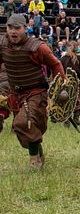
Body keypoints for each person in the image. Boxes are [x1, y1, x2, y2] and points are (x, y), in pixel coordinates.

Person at [0, 14, 65, 170]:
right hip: (15, 94)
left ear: (25, 28)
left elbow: (56, 65)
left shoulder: (37, 47)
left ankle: (34, 162)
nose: (13, 31)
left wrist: (59, 87)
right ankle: (39, 155)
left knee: (23, 122)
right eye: (10, 27)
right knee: (24, 130)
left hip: (36, 92)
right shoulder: (2, 44)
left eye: (17, 28)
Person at [59, 43, 80, 127]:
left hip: (67, 83)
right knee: (78, 100)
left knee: (67, 100)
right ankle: (75, 118)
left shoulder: (63, 59)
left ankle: (68, 119)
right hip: (77, 83)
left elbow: (59, 71)